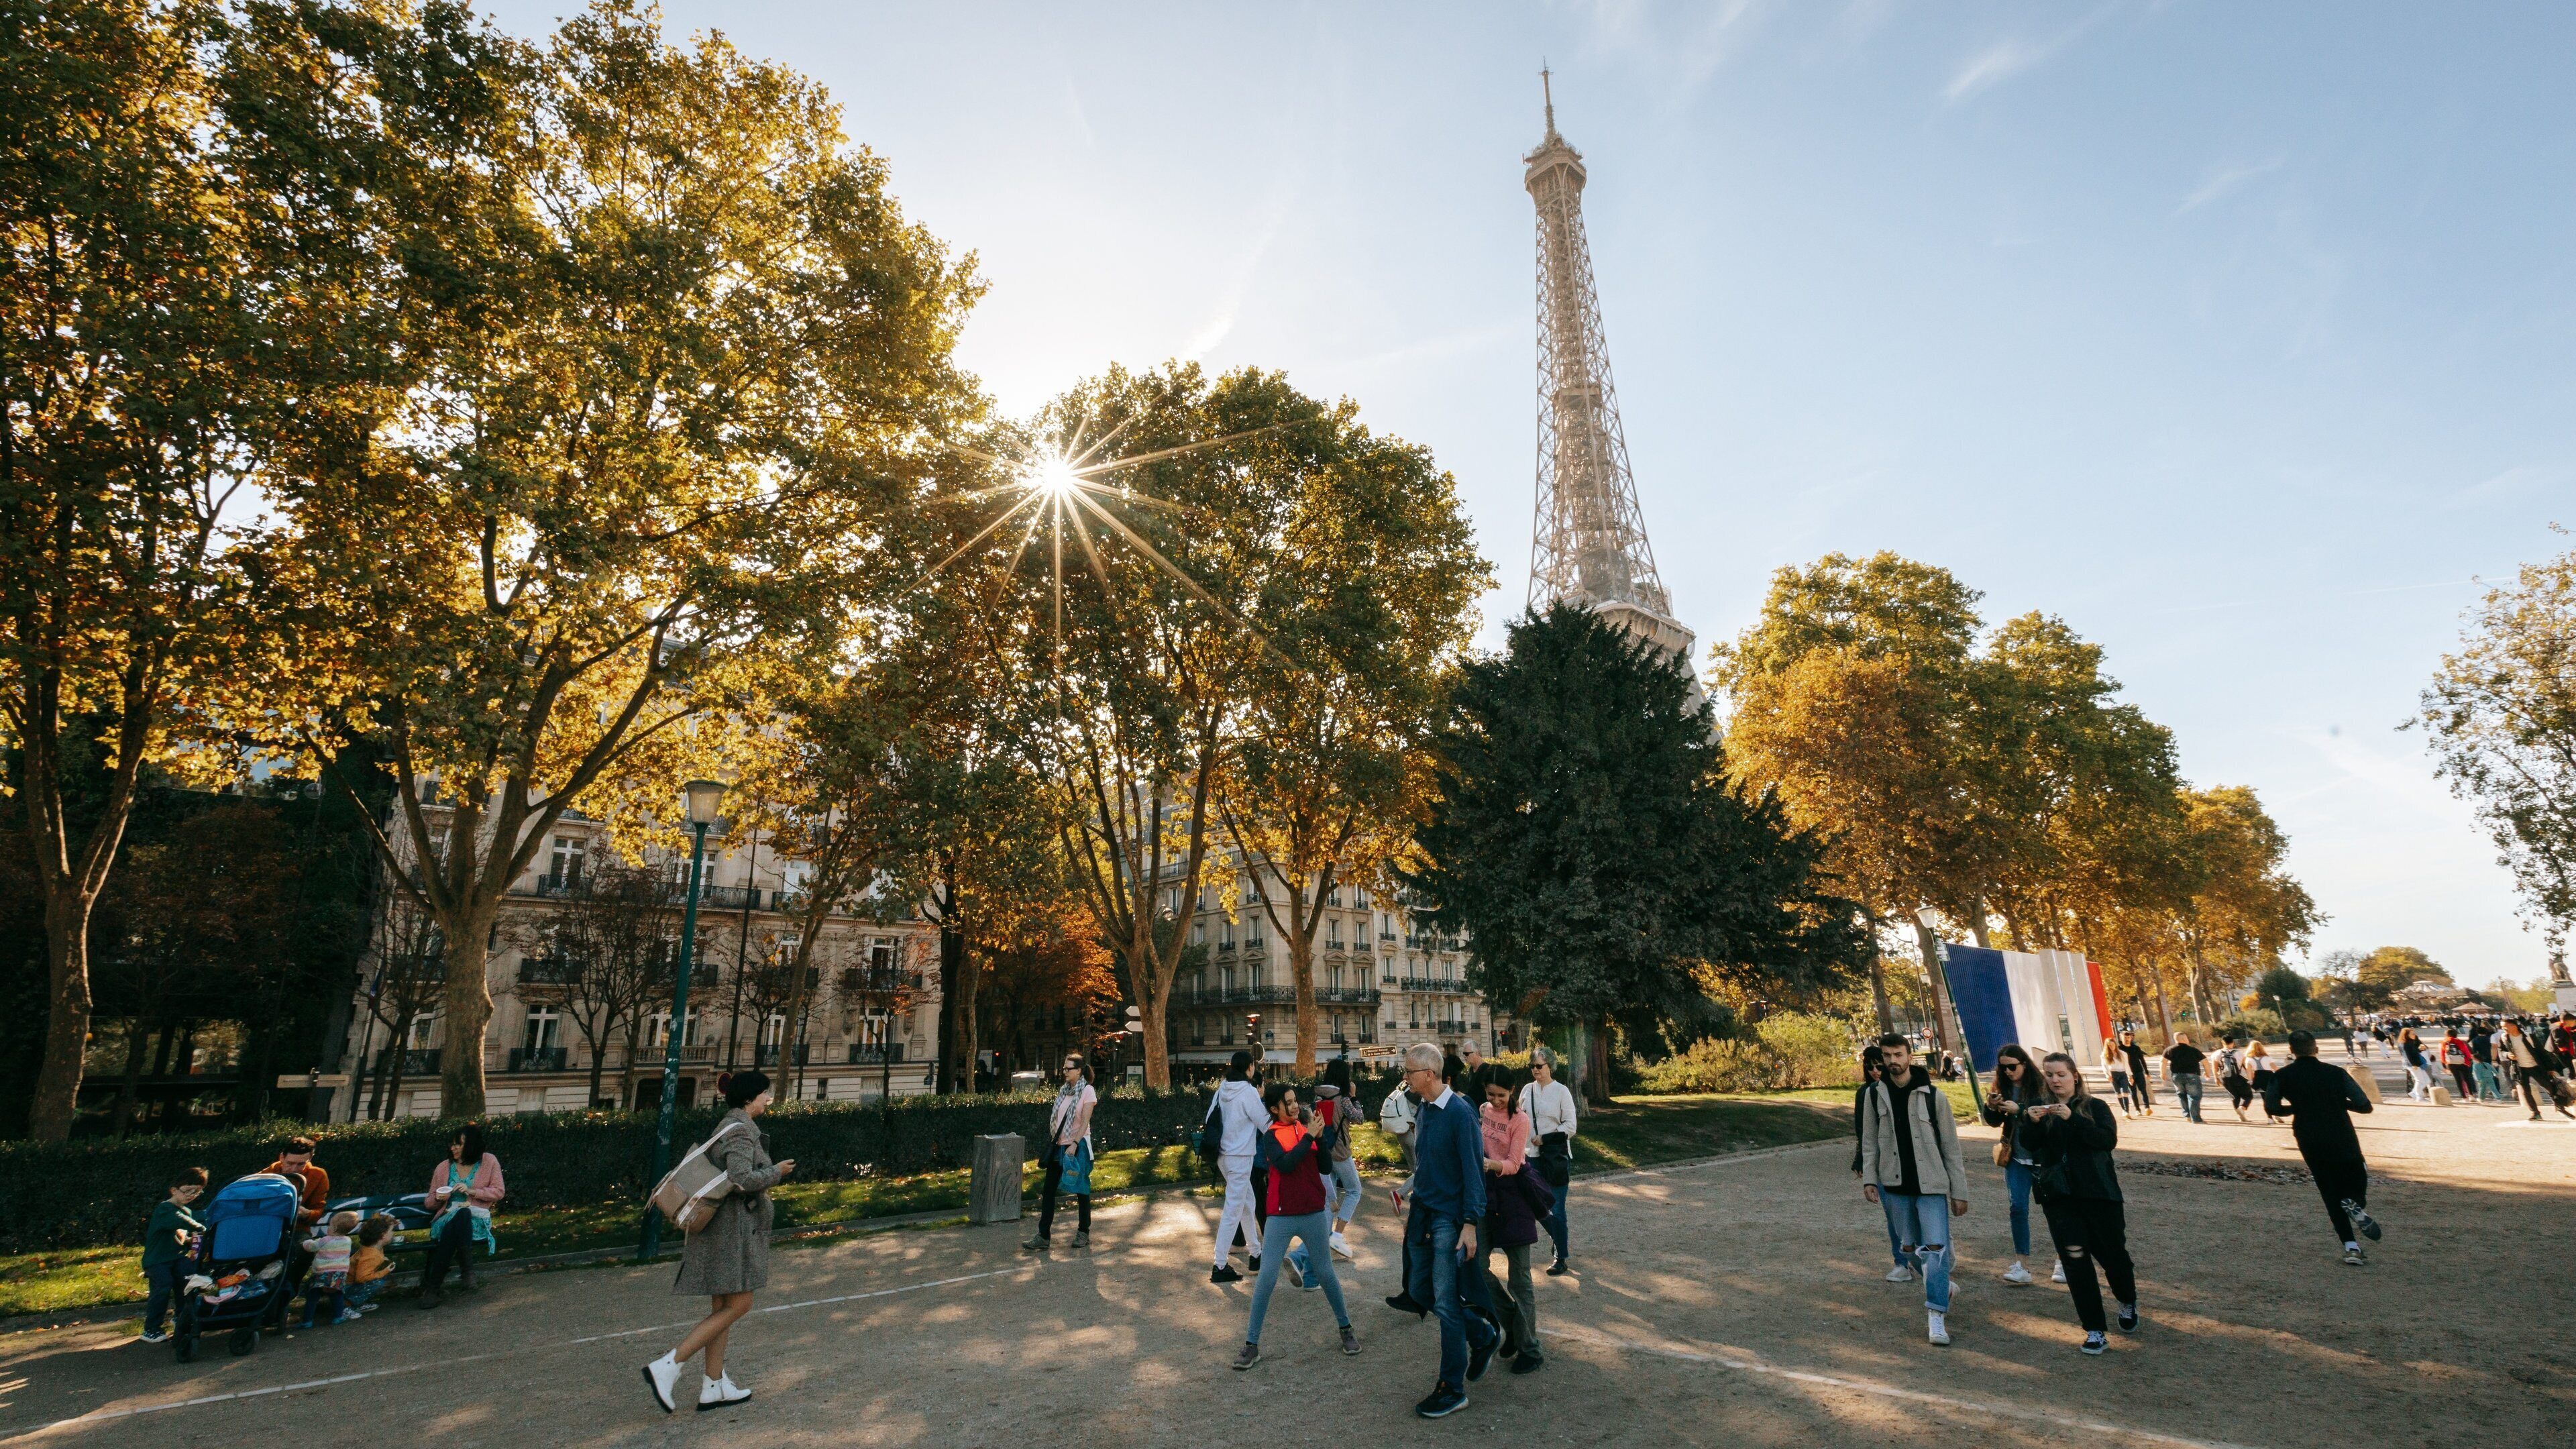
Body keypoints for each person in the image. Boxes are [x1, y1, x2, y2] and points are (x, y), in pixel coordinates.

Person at [643, 1070, 796, 1413]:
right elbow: (741, 1180)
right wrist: (778, 1172)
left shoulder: (730, 1125)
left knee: (722, 1308)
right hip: (733, 1230)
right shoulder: (742, 1131)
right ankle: (668, 1365)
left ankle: (713, 1386)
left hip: (721, 1229)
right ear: (748, 1098)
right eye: (764, 1094)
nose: (768, 1099)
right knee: (741, 1305)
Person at [1397, 1041, 1498, 1419]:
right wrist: (1410, 1200)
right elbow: (1426, 1164)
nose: (1405, 1077)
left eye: (1409, 1071)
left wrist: (1470, 1224)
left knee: (1445, 1300)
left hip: (1449, 1221)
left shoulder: (1459, 1112)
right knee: (1420, 1290)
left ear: (1429, 1075)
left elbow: (1474, 1172)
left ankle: (1452, 1388)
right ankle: (1482, 1334)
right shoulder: (1424, 1109)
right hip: (1424, 1214)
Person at [2019, 1052, 2139, 1355]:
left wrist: (2072, 1119)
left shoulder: (2095, 1107)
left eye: (2060, 1074)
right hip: (2059, 1199)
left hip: (2099, 1195)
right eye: (2048, 1074)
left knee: (2113, 1256)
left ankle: (2127, 1300)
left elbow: (2105, 1141)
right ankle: (2095, 1329)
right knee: (2074, 1259)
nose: (2054, 1080)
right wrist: (2031, 1123)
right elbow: (2031, 1146)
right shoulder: (2042, 1110)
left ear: (2075, 1076)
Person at [1233, 1083, 1359, 1368]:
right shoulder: (1271, 1136)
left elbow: (1325, 1167)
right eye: (1287, 1103)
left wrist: (1322, 1137)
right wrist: (1309, 1138)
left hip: (1314, 1212)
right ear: (1274, 1109)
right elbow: (1286, 1165)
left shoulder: (1306, 1130)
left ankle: (1346, 1329)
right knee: (1266, 1279)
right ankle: (1251, 1345)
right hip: (1280, 1215)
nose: (1293, 1107)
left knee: (1326, 1274)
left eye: (1294, 1101)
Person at [1858, 1034, 1970, 1346]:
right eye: (1887, 1055)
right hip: (1894, 1185)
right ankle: (1942, 1286)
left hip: (1932, 1185)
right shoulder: (1873, 1096)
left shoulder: (1935, 1097)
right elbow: (1869, 1141)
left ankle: (1936, 1315)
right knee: (1910, 1251)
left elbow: (1951, 1149)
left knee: (1934, 1249)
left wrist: (1959, 1192)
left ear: (1910, 1056)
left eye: (1898, 1054)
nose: (1893, 1061)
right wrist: (1870, 1178)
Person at [2263, 1031, 2381, 1265]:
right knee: (2356, 1176)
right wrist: (2338, 1102)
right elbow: (2365, 1105)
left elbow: (2272, 1108)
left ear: (2292, 1051)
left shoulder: (2282, 1076)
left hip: (2308, 1136)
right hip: (2340, 1133)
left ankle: (2351, 1247)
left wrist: (2297, 1108)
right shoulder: (2336, 1073)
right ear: (2316, 1049)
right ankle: (2356, 1203)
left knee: (2328, 1190)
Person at [1476, 1071, 1548, 1373]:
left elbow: (1515, 1163)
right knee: (1477, 1268)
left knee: (1520, 1280)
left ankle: (1530, 1350)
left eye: (1501, 1096)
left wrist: (1488, 1164)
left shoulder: (1521, 1120)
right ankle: (1514, 1330)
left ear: (1512, 1092)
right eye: (1491, 1094)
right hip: (1486, 1197)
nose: (1495, 1101)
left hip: (1514, 1198)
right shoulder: (1483, 1111)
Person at [1981, 1044, 2049, 1286]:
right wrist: (1991, 1107)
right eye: (2003, 1067)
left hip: (2043, 1157)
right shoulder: (2004, 1086)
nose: (2008, 1071)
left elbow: (2045, 1113)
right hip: (2016, 1158)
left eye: (2012, 1066)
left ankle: (2064, 1260)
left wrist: (2019, 1109)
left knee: (2055, 1210)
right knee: (2017, 1208)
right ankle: (2023, 1265)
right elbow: (1993, 1122)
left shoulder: (2042, 1084)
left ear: (2024, 1063)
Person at [417, 1122, 504, 1307]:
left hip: (476, 1220)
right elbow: (429, 1202)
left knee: (464, 1214)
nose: (453, 1148)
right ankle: (467, 1268)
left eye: (459, 1144)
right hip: (446, 1218)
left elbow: (498, 1192)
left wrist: (472, 1191)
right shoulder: (444, 1167)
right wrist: (441, 1198)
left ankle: (433, 1288)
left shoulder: (489, 1161)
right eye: (452, 1144)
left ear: (471, 1145)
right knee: (459, 1217)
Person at [1024, 1052, 1095, 1252]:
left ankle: (1083, 1232)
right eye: (1064, 1068)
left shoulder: (1088, 1091)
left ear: (1079, 1071)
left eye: (1068, 1068)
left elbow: (1085, 1122)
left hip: (1077, 1147)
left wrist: (1074, 1143)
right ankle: (1043, 1235)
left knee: (1081, 1190)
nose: (1064, 1071)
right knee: (1048, 1191)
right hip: (1059, 1147)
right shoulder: (1064, 1091)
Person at [1852, 1047, 1913, 1281]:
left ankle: (1936, 1246)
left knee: (1914, 1210)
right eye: (1871, 1067)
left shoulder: (1902, 1087)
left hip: (1908, 1160)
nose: (1876, 1071)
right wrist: (1861, 1161)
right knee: (1892, 1213)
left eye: (1880, 1065)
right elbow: (1863, 1131)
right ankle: (1901, 1263)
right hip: (1883, 1163)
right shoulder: (1866, 1093)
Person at [1208, 1051, 1267, 1283]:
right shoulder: (1249, 1092)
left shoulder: (1222, 1089)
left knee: (1246, 1203)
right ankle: (1219, 1265)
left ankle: (1256, 1253)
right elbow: (1264, 1123)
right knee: (1234, 1209)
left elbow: (1210, 1118)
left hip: (1223, 1156)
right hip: (1241, 1157)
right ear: (1250, 1068)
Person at [1518, 1046, 1578, 1276]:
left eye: (1539, 1066)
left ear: (1550, 1066)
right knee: (1536, 1207)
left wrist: (1546, 1138)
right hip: (1531, 1157)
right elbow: (1518, 1117)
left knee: (1557, 1209)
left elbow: (1571, 1127)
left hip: (1556, 1158)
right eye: (1532, 1066)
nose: (1535, 1070)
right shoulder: (1526, 1090)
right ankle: (1558, 1236)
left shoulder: (1562, 1092)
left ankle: (1560, 1256)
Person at [138, 1167, 207, 1345]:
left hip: (176, 1257)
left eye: (197, 1192)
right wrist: (199, 1227)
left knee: (188, 1279)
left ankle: (181, 1317)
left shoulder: (187, 1211)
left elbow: (181, 1236)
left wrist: (192, 1241)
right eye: (187, 1191)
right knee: (163, 1286)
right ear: (174, 1190)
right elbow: (179, 1221)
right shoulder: (165, 1209)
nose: (191, 1195)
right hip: (158, 1260)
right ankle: (151, 1328)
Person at [1313, 1060, 1365, 1261]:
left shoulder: (1319, 1096)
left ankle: (1326, 1243)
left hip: (1323, 1150)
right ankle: (1337, 1234)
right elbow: (1359, 1118)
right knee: (1355, 1190)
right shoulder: (1343, 1099)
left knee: (1328, 1198)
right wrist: (1354, 1097)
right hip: (1341, 1152)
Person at [2498, 1018, 2573, 1121]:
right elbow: (2501, 1051)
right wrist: (2507, 1055)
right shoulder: (2504, 1038)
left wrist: (2550, 1068)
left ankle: (2560, 1108)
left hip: (2535, 1066)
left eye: (2505, 1026)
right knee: (2526, 1091)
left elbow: (2542, 1052)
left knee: (2550, 1088)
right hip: (2520, 1068)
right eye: (2502, 1027)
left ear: (2514, 1026)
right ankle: (2535, 1113)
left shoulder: (2529, 1036)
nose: (2503, 1029)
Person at [300, 1211, 362, 1328]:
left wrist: (305, 1242)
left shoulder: (326, 1240)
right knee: (337, 1296)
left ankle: (307, 1321)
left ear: (334, 1228)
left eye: (330, 1226)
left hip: (323, 1274)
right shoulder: (348, 1241)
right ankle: (338, 1317)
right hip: (339, 1274)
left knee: (312, 1297)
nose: (328, 1228)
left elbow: (312, 1247)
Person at [343, 1214, 397, 1313]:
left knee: (378, 1279)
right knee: (377, 1282)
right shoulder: (371, 1254)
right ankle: (347, 1305)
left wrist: (391, 1222)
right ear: (383, 1235)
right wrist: (384, 1271)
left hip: (346, 1285)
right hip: (346, 1288)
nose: (393, 1233)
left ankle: (354, 1302)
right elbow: (361, 1278)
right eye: (392, 1231)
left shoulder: (374, 1247)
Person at [2161, 1031, 2207, 1124]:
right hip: (2192, 1075)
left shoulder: (2170, 1050)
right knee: (2194, 1096)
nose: (2188, 1040)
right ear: (2183, 1039)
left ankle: (2187, 1116)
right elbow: (2205, 1061)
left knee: (2182, 1095)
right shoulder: (2193, 1050)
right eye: (2186, 1038)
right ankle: (2196, 1118)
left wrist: (2162, 1073)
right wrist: (2208, 1072)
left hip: (2177, 1076)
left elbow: (2163, 1061)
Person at [2215, 1038, 2254, 1122]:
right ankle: (2242, 1108)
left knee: (2235, 1096)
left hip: (2225, 1078)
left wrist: (2216, 1078)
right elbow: (2246, 1066)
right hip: (2238, 1077)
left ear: (2223, 1043)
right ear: (2233, 1043)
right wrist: (2250, 1078)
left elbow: (2214, 1067)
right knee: (2249, 1096)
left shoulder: (2218, 1053)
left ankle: (2240, 1115)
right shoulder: (2238, 1053)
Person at [2118, 1032, 2155, 1117]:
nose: (2127, 1039)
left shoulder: (2136, 1048)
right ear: (2121, 1038)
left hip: (2139, 1071)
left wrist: (2146, 1072)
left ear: (2131, 1038)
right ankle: (2137, 1109)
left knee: (2143, 1090)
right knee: (2133, 1092)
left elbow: (2142, 1060)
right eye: (2125, 1038)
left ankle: (2147, 1107)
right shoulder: (2119, 1049)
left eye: (2129, 1038)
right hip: (2128, 1073)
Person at [2245, 1038, 2282, 1122]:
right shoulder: (2267, 1058)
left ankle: (2270, 1118)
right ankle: (2276, 1113)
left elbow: (2249, 1072)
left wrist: (2250, 1081)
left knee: (2265, 1099)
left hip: (2258, 1080)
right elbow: (2275, 1068)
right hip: (2270, 1078)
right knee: (2274, 1097)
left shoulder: (2249, 1059)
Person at [2102, 1036, 2137, 1119]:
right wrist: (2107, 1075)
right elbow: (2104, 1066)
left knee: (2125, 1092)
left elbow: (2127, 1065)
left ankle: (2127, 1110)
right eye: (2110, 1045)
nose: (2112, 1047)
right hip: (2113, 1074)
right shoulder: (2104, 1055)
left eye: (2113, 1045)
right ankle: (2123, 1110)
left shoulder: (2123, 1054)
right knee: (2118, 1093)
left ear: (2115, 1045)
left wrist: (2130, 1076)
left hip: (2122, 1073)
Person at [2469, 1022, 2504, 1103]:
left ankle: (2482, 1094)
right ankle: (2497, 1090)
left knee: (2482, 1077)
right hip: (2492, 1058)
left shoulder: (2475, 1040)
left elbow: (2475, 1051)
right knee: (2494, 1074)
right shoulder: (2490, 1038)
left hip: (2481, 1059)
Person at [2398, 1027, 2434, 1103]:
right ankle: (2419, 1097)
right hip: (2413, 1064)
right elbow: (2407, 1056)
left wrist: (2420, 1049)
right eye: (2412, 1034)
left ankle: (2415, 1093)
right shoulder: (2405, 1044)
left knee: (2426, 1080)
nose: (2414, 1035)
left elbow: (2413, 1052)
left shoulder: (2409, 1042)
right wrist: (2413, 1065)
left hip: (2416, 1063)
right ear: (2407, 1035)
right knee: (2420, 1080)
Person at [2438, 1028, 2476, 1102]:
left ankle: (2464, 1098)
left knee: (2458, 1080)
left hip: (2451, 1063)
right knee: (2467, 1079)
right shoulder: (2460, 1042)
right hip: (2463, 1062)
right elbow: (2466, 1052)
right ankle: (2471, 1096)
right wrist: (2469, 1060)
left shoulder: (2443, 1043)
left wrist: (2444, 1065)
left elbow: (2442, 1055)